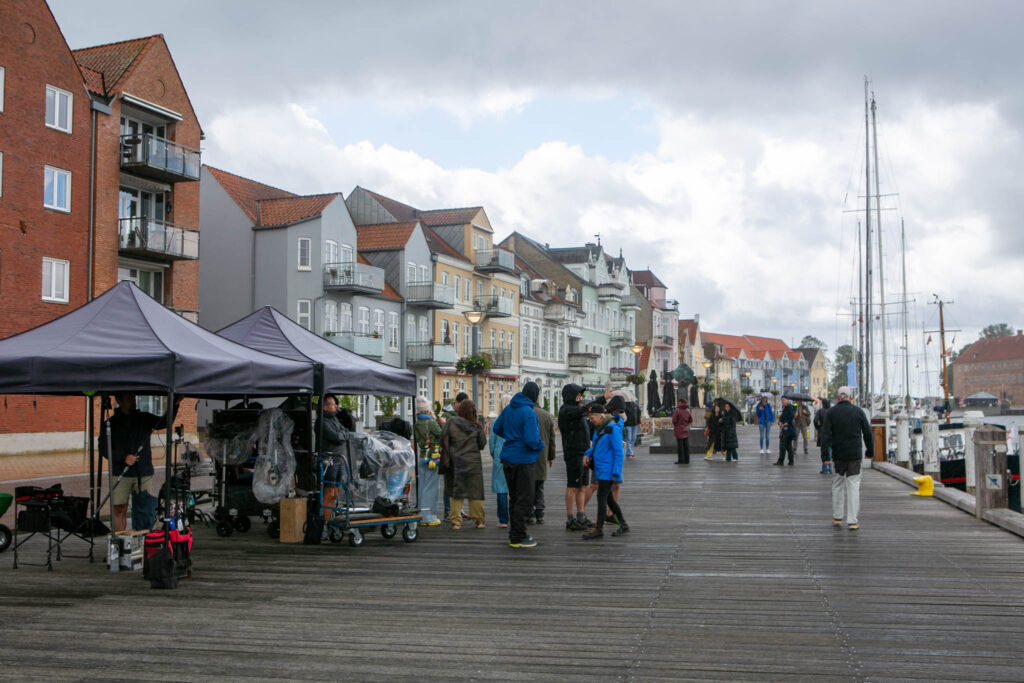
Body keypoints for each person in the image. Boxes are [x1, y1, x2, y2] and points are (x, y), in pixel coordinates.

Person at [99, 392, 181, 532]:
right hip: (120, 473)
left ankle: (144, 545)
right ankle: (120, 544)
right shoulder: (110, 423)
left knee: (145, 509)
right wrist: (123, 457)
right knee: (119, 509)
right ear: (119, 400)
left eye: (134, 398)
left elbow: (164, 421)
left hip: (143, 472)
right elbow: (103, 448)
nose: (133, 401)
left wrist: (175, 404)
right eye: (129, 398)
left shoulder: (144, 418)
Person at [492, 381, 544, 548]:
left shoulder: (509, 408)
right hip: (523, 460)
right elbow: (531, 439)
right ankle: (518, 536)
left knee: (514, 497)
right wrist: (540, 445)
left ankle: (514, 533)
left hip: (507, 458)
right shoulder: (528, 412)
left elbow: (497, 428)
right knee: (525, 499)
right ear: (535, 395)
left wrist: (510, 437)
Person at [821, 387, 873, 530]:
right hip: (854, 454)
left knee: (837, 484)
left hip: (838, 454)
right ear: (850, 397)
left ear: (838, 397)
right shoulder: (858, 412)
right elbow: (867, 433)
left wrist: (825, 456)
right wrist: (870, 451)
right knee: (853, 485)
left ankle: (837, 516)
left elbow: (825, 435)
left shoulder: (831, 412)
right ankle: (852, 520)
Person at [581, 404, 629, 539]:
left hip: (608, 470)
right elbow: (596, 445)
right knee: (609, 500)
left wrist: (616, 473)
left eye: (592, 417)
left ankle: (599, 529)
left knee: (602, 498)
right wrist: (588, 453)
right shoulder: (600, 428)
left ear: (601, 415)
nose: (591, 420)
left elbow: (619, 452)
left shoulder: (612, 428)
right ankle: (623, 524)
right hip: (601, 468)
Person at [440, 399, 487, 529]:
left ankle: (456, 522)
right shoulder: (477, 426)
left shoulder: (451, 423)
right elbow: (482, 444)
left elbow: (442, 438)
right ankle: (479, 521)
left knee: (456, 493)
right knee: (475, 492)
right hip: (473, 463)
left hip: (455, 463)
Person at [318, 395, 356, 531]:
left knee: (335, 492)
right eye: (333, 404)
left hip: (340, 459)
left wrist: (343, 434)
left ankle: (329, 520)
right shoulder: (322, 422)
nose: (336, 407)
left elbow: (346, 431)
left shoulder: (335, 419)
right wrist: (343, 436)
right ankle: (322, 523)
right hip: (329, 460)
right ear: (325, 406)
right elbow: (336, 437)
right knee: (328, 491)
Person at [558, 383, 592, 531]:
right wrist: (602, 399)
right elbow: (584, 409)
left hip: (583, 452)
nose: (580, 396)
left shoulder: (578, 411)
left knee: (583, 486)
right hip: (573, 453)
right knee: (572, 486)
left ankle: (581, 515)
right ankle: (570, 519)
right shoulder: (567, 410)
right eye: (578, 394)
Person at [413, 396, 443, 526]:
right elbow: (441, 435)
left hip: (421, 456)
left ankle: (420, 514)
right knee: (431, 487)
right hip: (432, 458)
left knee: (422, 486)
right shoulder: (431, 423)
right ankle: (428, 517)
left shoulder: (416, 423)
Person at [441, 391, 469, 519]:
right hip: (450, 454)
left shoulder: (465, 415)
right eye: (462, 405)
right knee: (449, 483)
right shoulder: (447, 415)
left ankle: (459, 510)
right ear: (456, 403)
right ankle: (448, 511)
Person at [530, 396, 556, 525]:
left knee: (528, 486)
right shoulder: (546, 415)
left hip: (528, 455)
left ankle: (529, 514)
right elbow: (552, 438)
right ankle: (540, 513)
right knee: (539, 485)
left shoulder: (526, 413)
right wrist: (551, 456)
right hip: (542, 454)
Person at [489, 394, 512, 528]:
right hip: (513, 455)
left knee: (501, 489)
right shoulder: (515, 420)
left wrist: (494, 455)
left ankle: (503, 520)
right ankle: (516, 516)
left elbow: (492, 443)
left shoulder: (496, 421)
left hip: (500, 455)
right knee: (514, 488)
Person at [775, 396, 797, 466]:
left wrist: (785, 423)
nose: (782, 401)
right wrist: (780, 422)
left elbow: (791, 417)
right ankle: (791, 461)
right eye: (782, 400)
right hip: (786, 429)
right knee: (788, 446)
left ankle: (781, 461)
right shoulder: (785, 408)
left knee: (782, 445)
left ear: (787, 400)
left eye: (784, 400)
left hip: (788, 430)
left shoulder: (790, 407)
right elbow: (782, 417)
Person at [813, 398, 833, 474]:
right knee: (830, 450)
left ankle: (824, 468)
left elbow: (815, 420)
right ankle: (830, 468)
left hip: (822, 431)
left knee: (824, 450)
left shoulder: (820, 411)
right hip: (831, 432)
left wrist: (818, 427)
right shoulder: (832, 411)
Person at [671, 398, 693, 464]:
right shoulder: (688, 410)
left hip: (678, 429)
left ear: (680, 402)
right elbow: (691, 420)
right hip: (685, 429)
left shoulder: (677, 410)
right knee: (686, 445)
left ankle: (681, 460)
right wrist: (686, 424)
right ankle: (687, 460)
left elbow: (674, 420)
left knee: (680, 446)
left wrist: (677, 425)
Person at [622, 391, 640, 459]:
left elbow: (638, 414)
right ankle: (630, 453)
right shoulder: (624, 405)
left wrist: (639, 422)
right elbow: (623, 415)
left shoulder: (635, 405)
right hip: (628, 424)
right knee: (629, 438)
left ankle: (630, 451)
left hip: (634, 424)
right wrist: (623, 425)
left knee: (633, 438)